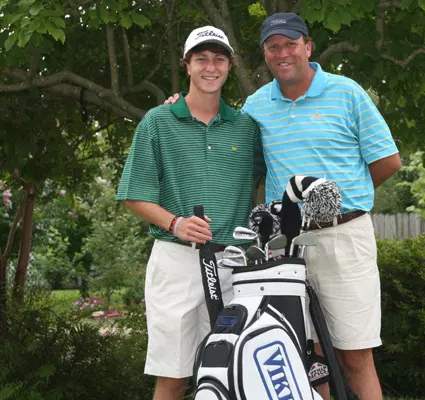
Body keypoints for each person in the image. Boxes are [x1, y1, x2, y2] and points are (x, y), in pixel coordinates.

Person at [166, 13, 401, 399]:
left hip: (344, 237)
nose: (282, 52)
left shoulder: (347, 92)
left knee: (355, 354)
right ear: (265, 54)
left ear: (308, 47)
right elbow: (227, 143)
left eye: (291, 44)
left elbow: (388, 161)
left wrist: (340, 202)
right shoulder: (257, 105)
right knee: (303, 355)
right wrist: (181, 106)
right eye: (273, 46)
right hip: (284, 245)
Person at [116, 26, 264, 400]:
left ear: (229, 65)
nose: (210, 67)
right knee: (173, 377)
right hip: (177, 262)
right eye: (202, 59)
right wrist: (176, 223)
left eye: (219, 59)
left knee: (232, 373)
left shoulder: (246, 128)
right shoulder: (158, 121)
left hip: (233, 264)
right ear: (187, 65)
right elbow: (133, 195)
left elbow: (266, 179)